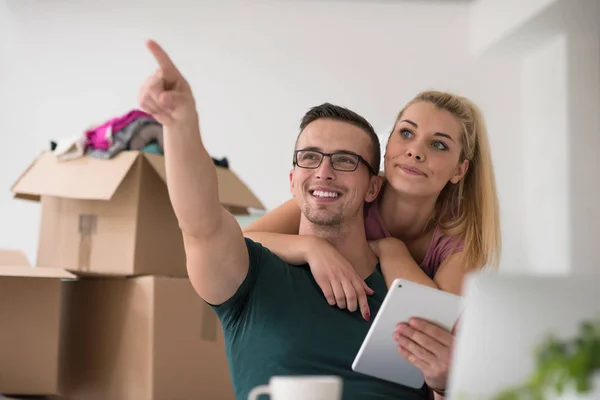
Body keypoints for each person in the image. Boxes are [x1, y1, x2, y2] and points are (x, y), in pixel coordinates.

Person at [137, 39, 430, 400]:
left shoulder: (403, 284)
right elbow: (201, 222)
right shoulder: (252, 276)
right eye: (310, 157)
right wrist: (181, 123)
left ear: (373, 188)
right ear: (292, 180)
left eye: (345, 160)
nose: (324, 172)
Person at [243, 90, 502, 398]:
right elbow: (242, 241)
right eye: (406, 133)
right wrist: (312, 248)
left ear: (459, 170)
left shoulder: (459, 246)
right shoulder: (345, 191)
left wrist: (392, 251)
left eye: (438, 144)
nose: (415, 152)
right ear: (387, 145)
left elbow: (433, 339)